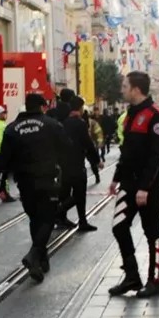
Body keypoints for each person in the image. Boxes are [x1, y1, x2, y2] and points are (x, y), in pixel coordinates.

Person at [107, 71, 159, 298]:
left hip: (148, 185)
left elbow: (155, 155)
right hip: (127, 183)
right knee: (119, 227)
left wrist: (144, 187)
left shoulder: (155, 116)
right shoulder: (130, 115)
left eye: (124, 86)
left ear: (136, 89)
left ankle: (154, 281)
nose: (121, 89)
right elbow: (127, 152)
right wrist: (115, 178)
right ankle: (132, 277)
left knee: (152, 231)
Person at [1, 92, 69, 282]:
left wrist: (0, 182)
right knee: (47, 218)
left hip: (24, 182)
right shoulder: (52, 125)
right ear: (42, 106)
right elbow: (66, 148)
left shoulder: (11, 129)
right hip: (47, 179)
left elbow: (4, 159)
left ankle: (41, 258)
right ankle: (34, 255)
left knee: (34, 219)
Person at [59, 95, 101, 232]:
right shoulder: (80, 123)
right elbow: (87, 144)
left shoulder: (64, 122)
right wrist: (97, 160)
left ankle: (62, 218)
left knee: (65, 192)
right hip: (77, 163)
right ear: (81, 108)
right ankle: (79, 220)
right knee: (79, 194)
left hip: (64, 164)